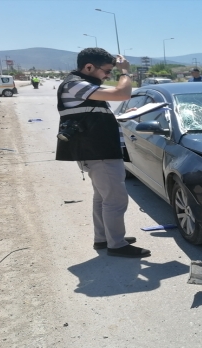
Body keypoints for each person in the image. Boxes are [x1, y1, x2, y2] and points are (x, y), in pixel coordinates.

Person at [55, 47, 150, 258]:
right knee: (115, 199)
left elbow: (91, 117)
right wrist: (125, 72)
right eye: (106, 71)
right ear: (89, 67)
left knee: (102, 198)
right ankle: (116, 245)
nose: (108, 75)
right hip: (99, 151)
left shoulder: (83, 85)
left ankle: (104, 238)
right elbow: (123, 93)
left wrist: (123, 116)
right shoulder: (75, 84)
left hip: (96, 149)